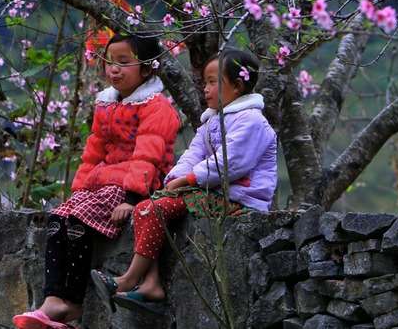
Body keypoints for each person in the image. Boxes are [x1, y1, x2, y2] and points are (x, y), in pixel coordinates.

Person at [91, 48, 277, 317]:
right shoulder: (211, 122)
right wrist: (175, 178)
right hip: (210, 193)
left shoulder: (252, 122)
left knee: (154, 208)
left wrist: (188, 180)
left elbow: (230, 163)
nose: (205, 89)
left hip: (240, 200)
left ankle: (128, 279)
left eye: (213, 82)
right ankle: (151, 283)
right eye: (204, 83)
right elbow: (192, 154)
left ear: (237, 86)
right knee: (147, 207)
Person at [13, 33, 181, 329]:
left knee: (78, 220)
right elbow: (93, 151)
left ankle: (73, 302)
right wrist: (79, 190)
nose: (113, 69)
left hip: (138, 185)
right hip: (103, 183)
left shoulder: (157, 107)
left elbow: (148, 157)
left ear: (146, 69)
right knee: (59, 217)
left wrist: (131, 199)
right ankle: (52, 298)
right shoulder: (106, 104)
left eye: (123, 62)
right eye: (109, 62)